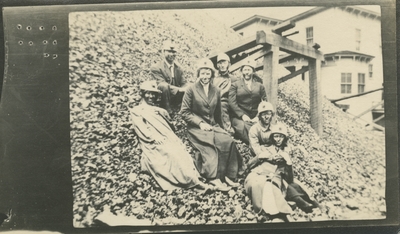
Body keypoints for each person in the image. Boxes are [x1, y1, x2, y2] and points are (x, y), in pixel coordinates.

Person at [130, 80, 210, 193]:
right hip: (153, 141)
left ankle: (194, 180)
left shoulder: (159, 110)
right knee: (170, 155)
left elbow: (170, 126)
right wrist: (153, 138)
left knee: (181, 152)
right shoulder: (137, 110)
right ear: (142, 94)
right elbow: (141, 128)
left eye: (153, 94)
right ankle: (195, 184)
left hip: (167, 137)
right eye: (148, 93)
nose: (151, 96)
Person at [180, 58, 241, 192]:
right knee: (210, 145)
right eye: (203, 73)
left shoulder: (216, 90)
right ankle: (214, 177)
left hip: (212, 125)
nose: (205, 77)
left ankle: (229, 176)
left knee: (228, 141)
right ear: (198, 74)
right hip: (196, 128)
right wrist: (200, 123)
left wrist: (222, 129)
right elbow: (184, 112)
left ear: (212, 74)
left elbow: (218, 112)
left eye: (208, 73)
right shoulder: (191, 90)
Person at [245, 120, 318, 221]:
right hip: (257, 176)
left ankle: (301, 206)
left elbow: (290, 178)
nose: (278, 139)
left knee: (287, 185)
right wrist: (259, 157)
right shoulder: (264, 148)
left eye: (281, 136)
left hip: (275, 179)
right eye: (276, 136)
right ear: (272, 137)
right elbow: (247, 167)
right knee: (266, 185)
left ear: (284, 138)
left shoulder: (285, 154)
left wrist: (288, 163)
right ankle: (282, 213)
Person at [229, 58, 266, 145]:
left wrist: (258, 117)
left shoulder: (260, 86)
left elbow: (264, 103)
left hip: (255, 117)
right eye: (245, 70)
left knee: (260, 128)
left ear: (253, 71)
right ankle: (256, 145)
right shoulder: (235, 85)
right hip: (239, 117)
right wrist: (242, 116)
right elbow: (232, 102)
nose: (247, 72)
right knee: (243, 127)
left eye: (249, 70)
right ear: (242, 71)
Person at [150, 40, 188, 115]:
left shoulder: (178, 68)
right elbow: (161, 83)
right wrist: (179, 89)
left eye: (174, 52)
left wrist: (187, 87)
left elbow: (184, 82)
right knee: (164, 86)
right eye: (169, 51)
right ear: (163, 52)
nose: (171, 54)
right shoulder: (156, 67)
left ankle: (185, 108)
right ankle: (167, 110)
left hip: (176, 96)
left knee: (190, 86)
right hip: (163, 97)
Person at [212, 53, 237, 135]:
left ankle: (228, 129)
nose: (222, 65)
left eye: (224, 63)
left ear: (228, 64)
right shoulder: (213, 78)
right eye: (220, 63)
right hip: (213, 100)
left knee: (222, 105)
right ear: (217, 65)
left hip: (227, 103)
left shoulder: (233, 79)